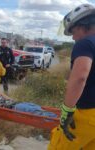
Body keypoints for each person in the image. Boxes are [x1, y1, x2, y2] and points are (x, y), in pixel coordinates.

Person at [48, 4, 95, 150]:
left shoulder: (85, 44)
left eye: (73, 31)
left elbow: (80, 77)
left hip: (87, 114)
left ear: (84, 25)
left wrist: (67, 111)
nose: (73, 37)